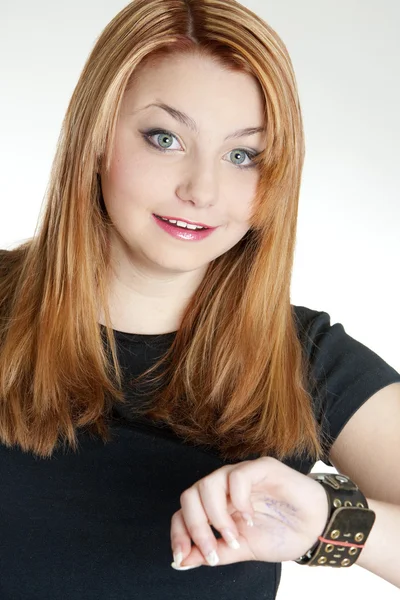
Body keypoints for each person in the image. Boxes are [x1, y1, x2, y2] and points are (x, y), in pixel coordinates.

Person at [0, 0, 399, 598]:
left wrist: (328, 523)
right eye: (165, 138)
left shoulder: (305, 359)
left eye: (243, 156)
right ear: (95, 138)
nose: (201, 190)